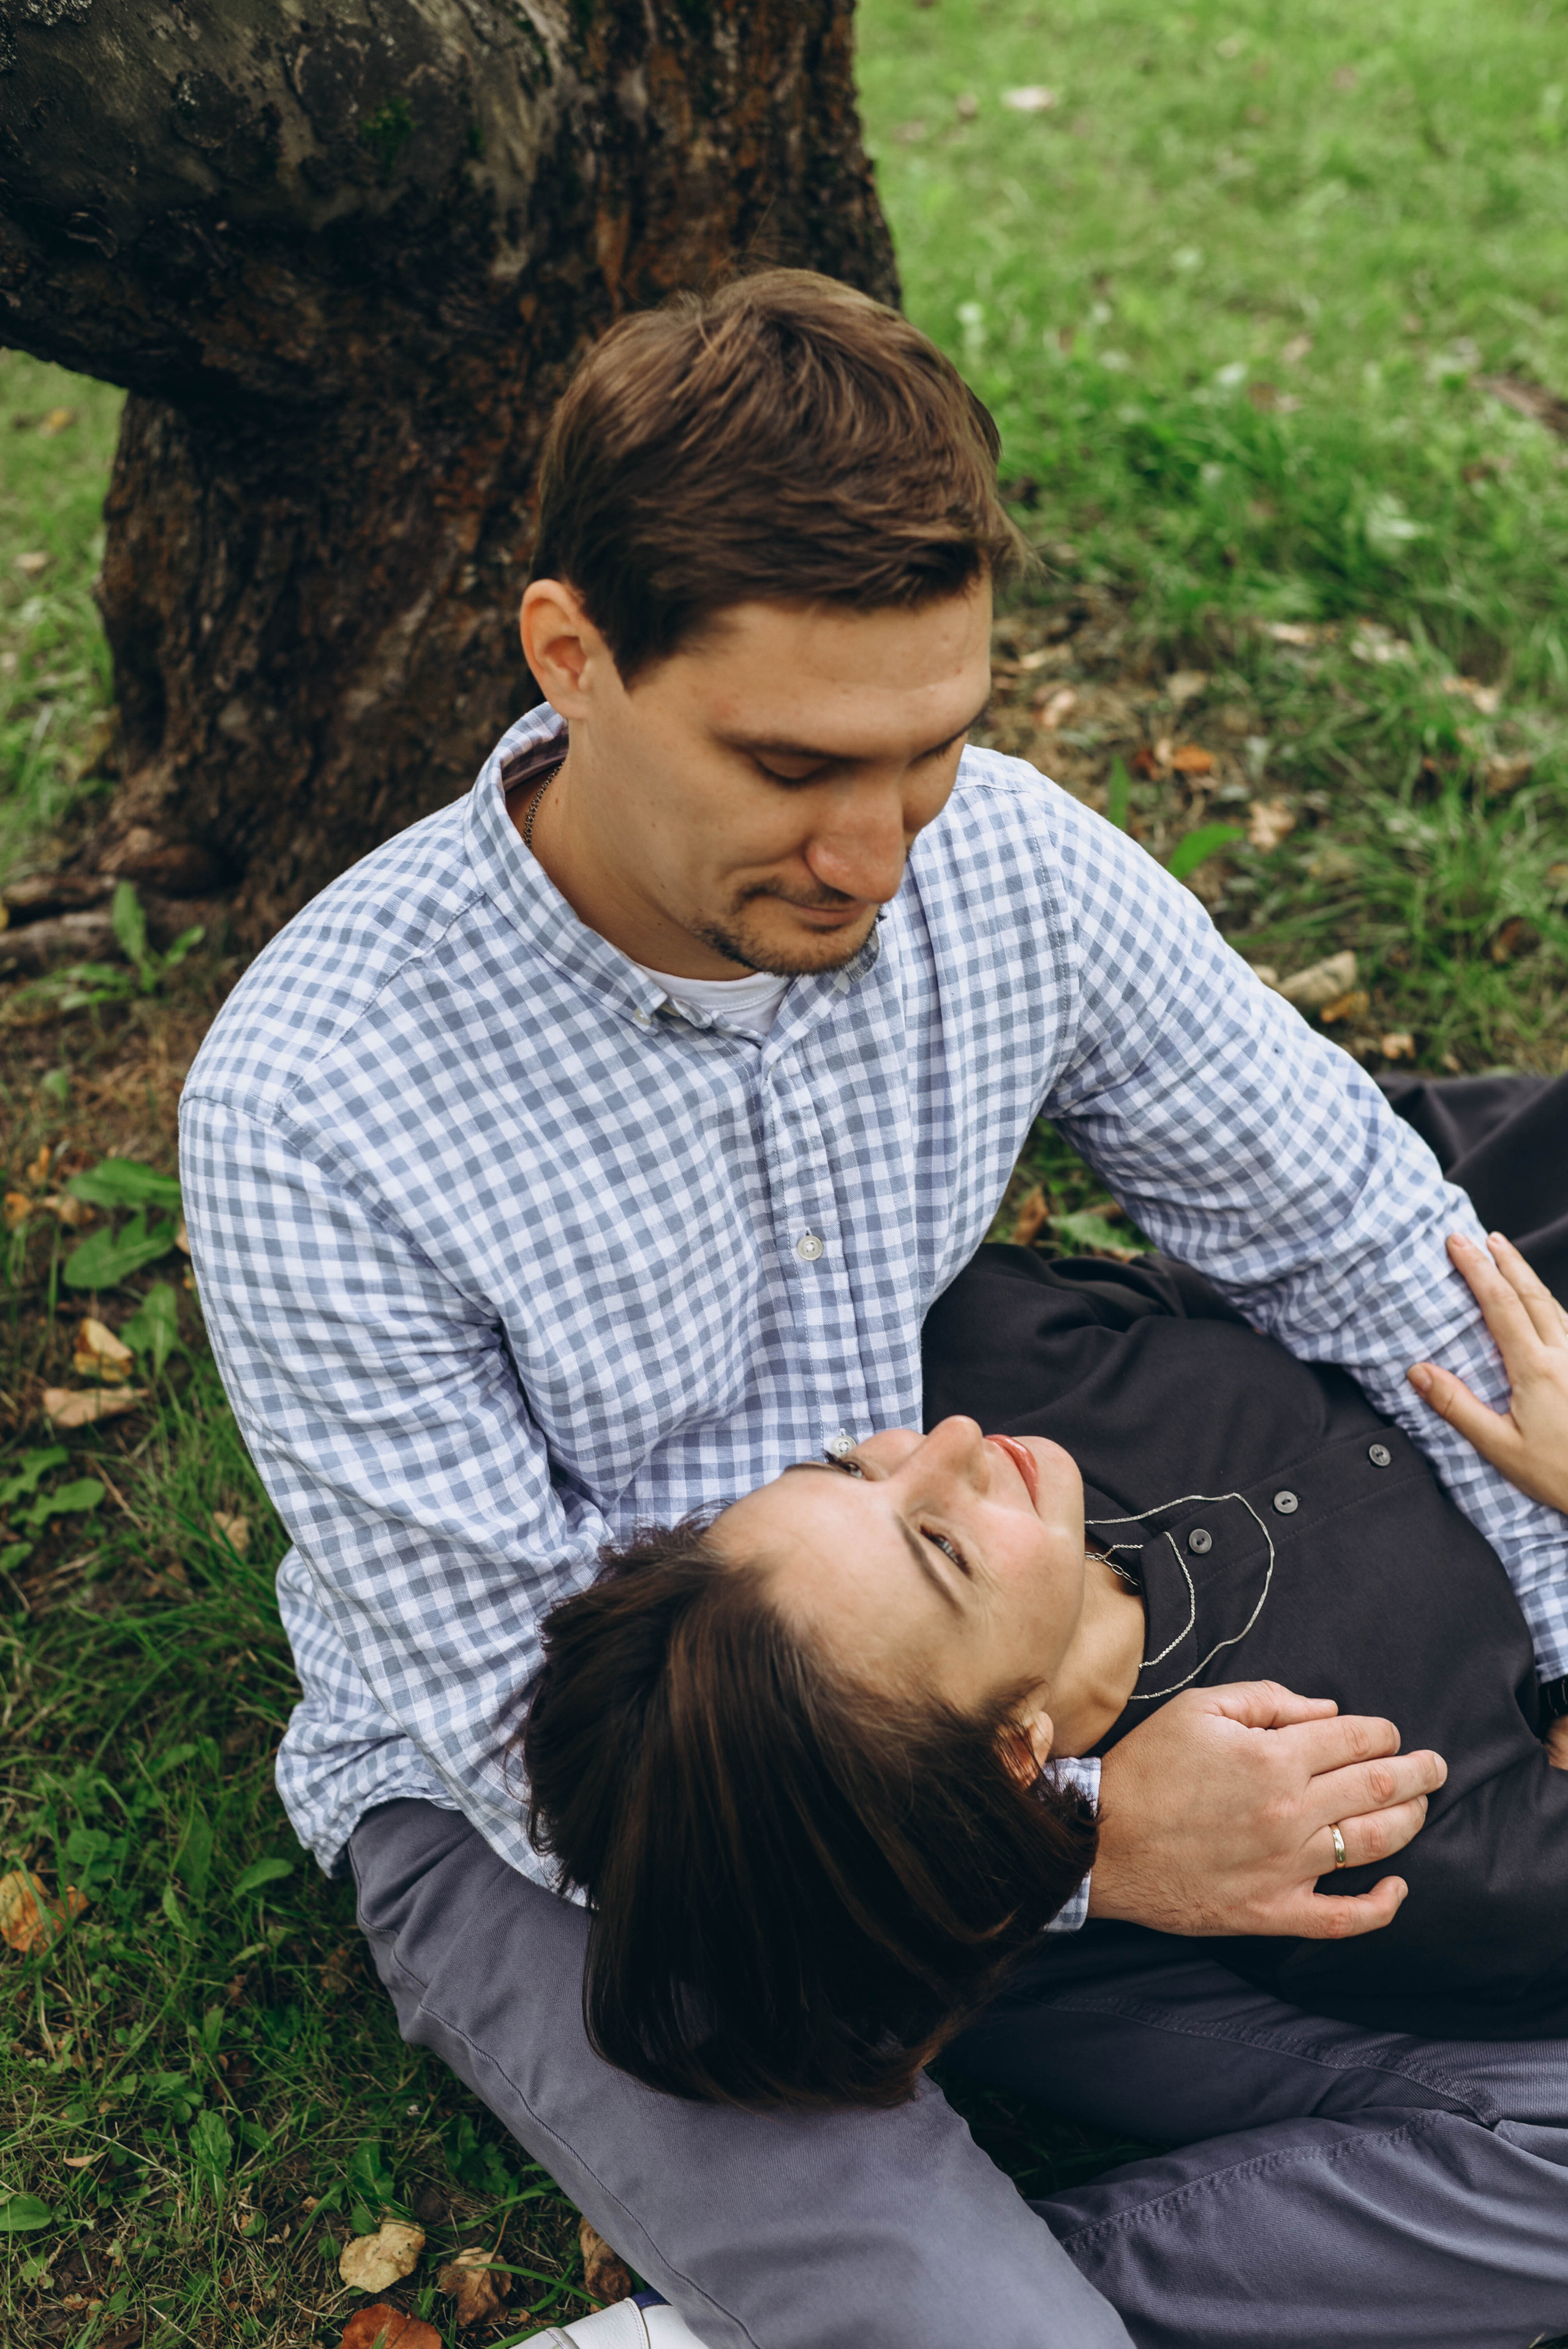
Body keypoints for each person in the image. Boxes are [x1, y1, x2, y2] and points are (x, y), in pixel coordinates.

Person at [179, 271, 1568, 2349]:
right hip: (633, 1848)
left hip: (988, 1688)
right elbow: (512, 1747)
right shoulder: (315, 1102)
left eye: (929, 748)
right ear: (572, 656)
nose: (872, 850)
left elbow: (1368, 1237)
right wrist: (1099, 1843)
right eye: (792, 762)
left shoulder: (1001, 868)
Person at [521, 1206, 1568, 2121]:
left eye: (845, 1463)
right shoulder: (1354, 1823)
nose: (954, 1440)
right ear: (1020, 1753)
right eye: (944, 1544)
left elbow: (1275, 1270)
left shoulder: (984, 1343)